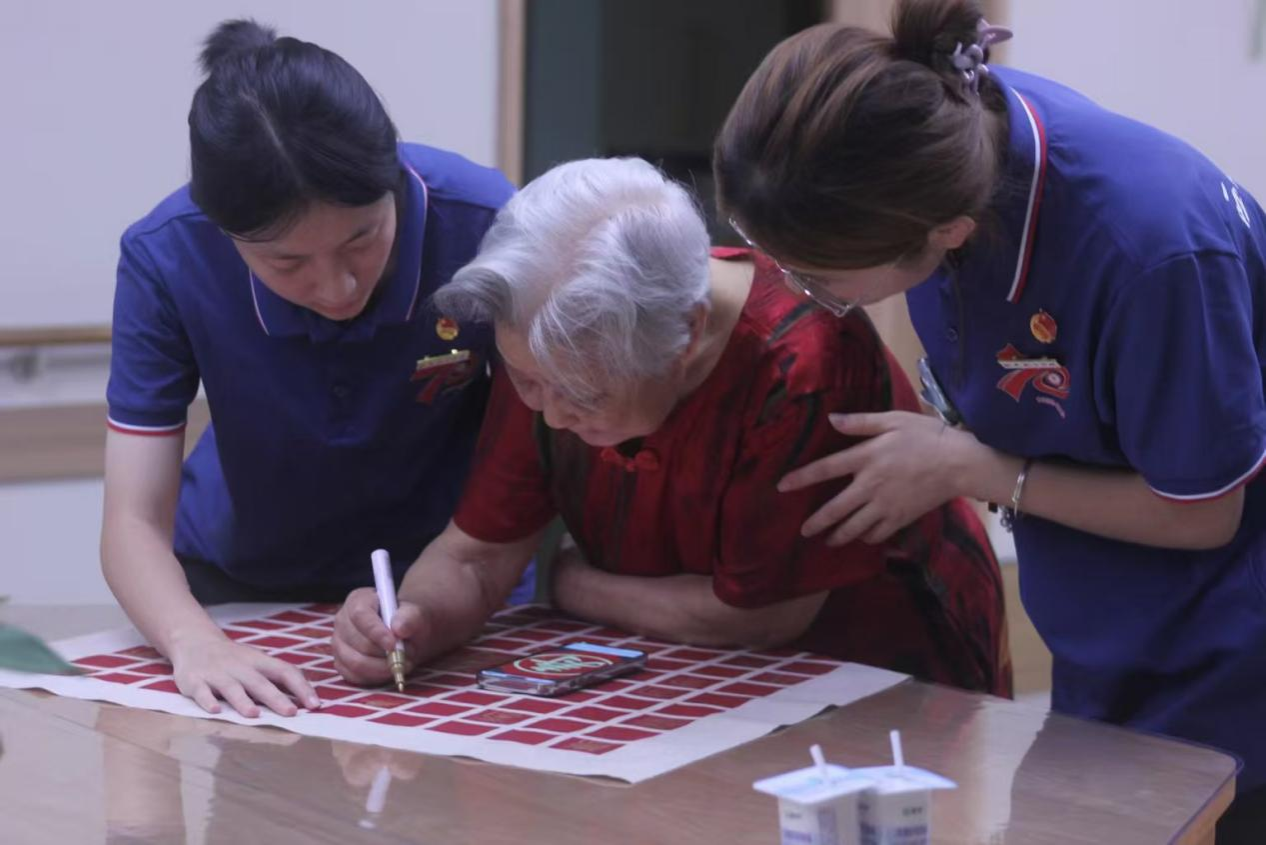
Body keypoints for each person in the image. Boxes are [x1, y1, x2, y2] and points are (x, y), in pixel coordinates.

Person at [711, 0, 1266, 837]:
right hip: (1100, 635)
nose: (798, 293)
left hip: (1233, 654)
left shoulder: (1152, 251)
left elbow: (1203, 511)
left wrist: (969, 466)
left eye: (820, 277)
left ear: (949, 233)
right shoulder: (942, 131)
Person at [330, 157, 1011, 699]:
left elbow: (760, 615)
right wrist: (413, 620)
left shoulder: (804, 363)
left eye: (583, 395)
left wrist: (570, 583)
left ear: (687, 334)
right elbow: (477, 556)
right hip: (673, 663)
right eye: (528, 382)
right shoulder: (545, 343)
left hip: (872, 669)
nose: (550, 413)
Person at [101, 20, 516, 719]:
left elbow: (535, 452)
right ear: (224, 233)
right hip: (237, 586)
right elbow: (131, 520)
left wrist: (448, 595)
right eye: (286, 262)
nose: (337, 287)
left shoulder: (486, 224)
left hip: (447, 583)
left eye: (363, 239)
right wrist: (195, 642)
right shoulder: (169, 255)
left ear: (393, 179)